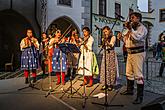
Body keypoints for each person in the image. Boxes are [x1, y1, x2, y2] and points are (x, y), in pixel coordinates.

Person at [119, 12, 148, 104]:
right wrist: (121, 38)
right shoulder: (130, 28)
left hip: (138, 53)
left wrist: (130, 29)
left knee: (138, 74)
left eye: (133, 18)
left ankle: (140, 97)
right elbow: (126, 40)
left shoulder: (142, 28)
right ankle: (130, 90)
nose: (131, 19)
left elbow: (137, 38)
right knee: (129, 72)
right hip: (130, 53)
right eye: (131, 18)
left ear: (138, 19)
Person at [100, 26, 119, 91]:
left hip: (111, 54)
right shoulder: (104, 38)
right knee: (104, 68)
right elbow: (103, 46)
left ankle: (111, 84)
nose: (105, 33)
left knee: (111, 69)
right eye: (104, 32)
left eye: (106, 31)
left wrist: (106, 42)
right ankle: (105, 84)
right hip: (105, 53)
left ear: (109, 31)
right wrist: (103, 43)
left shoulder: (113, 37)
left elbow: (111, 45)